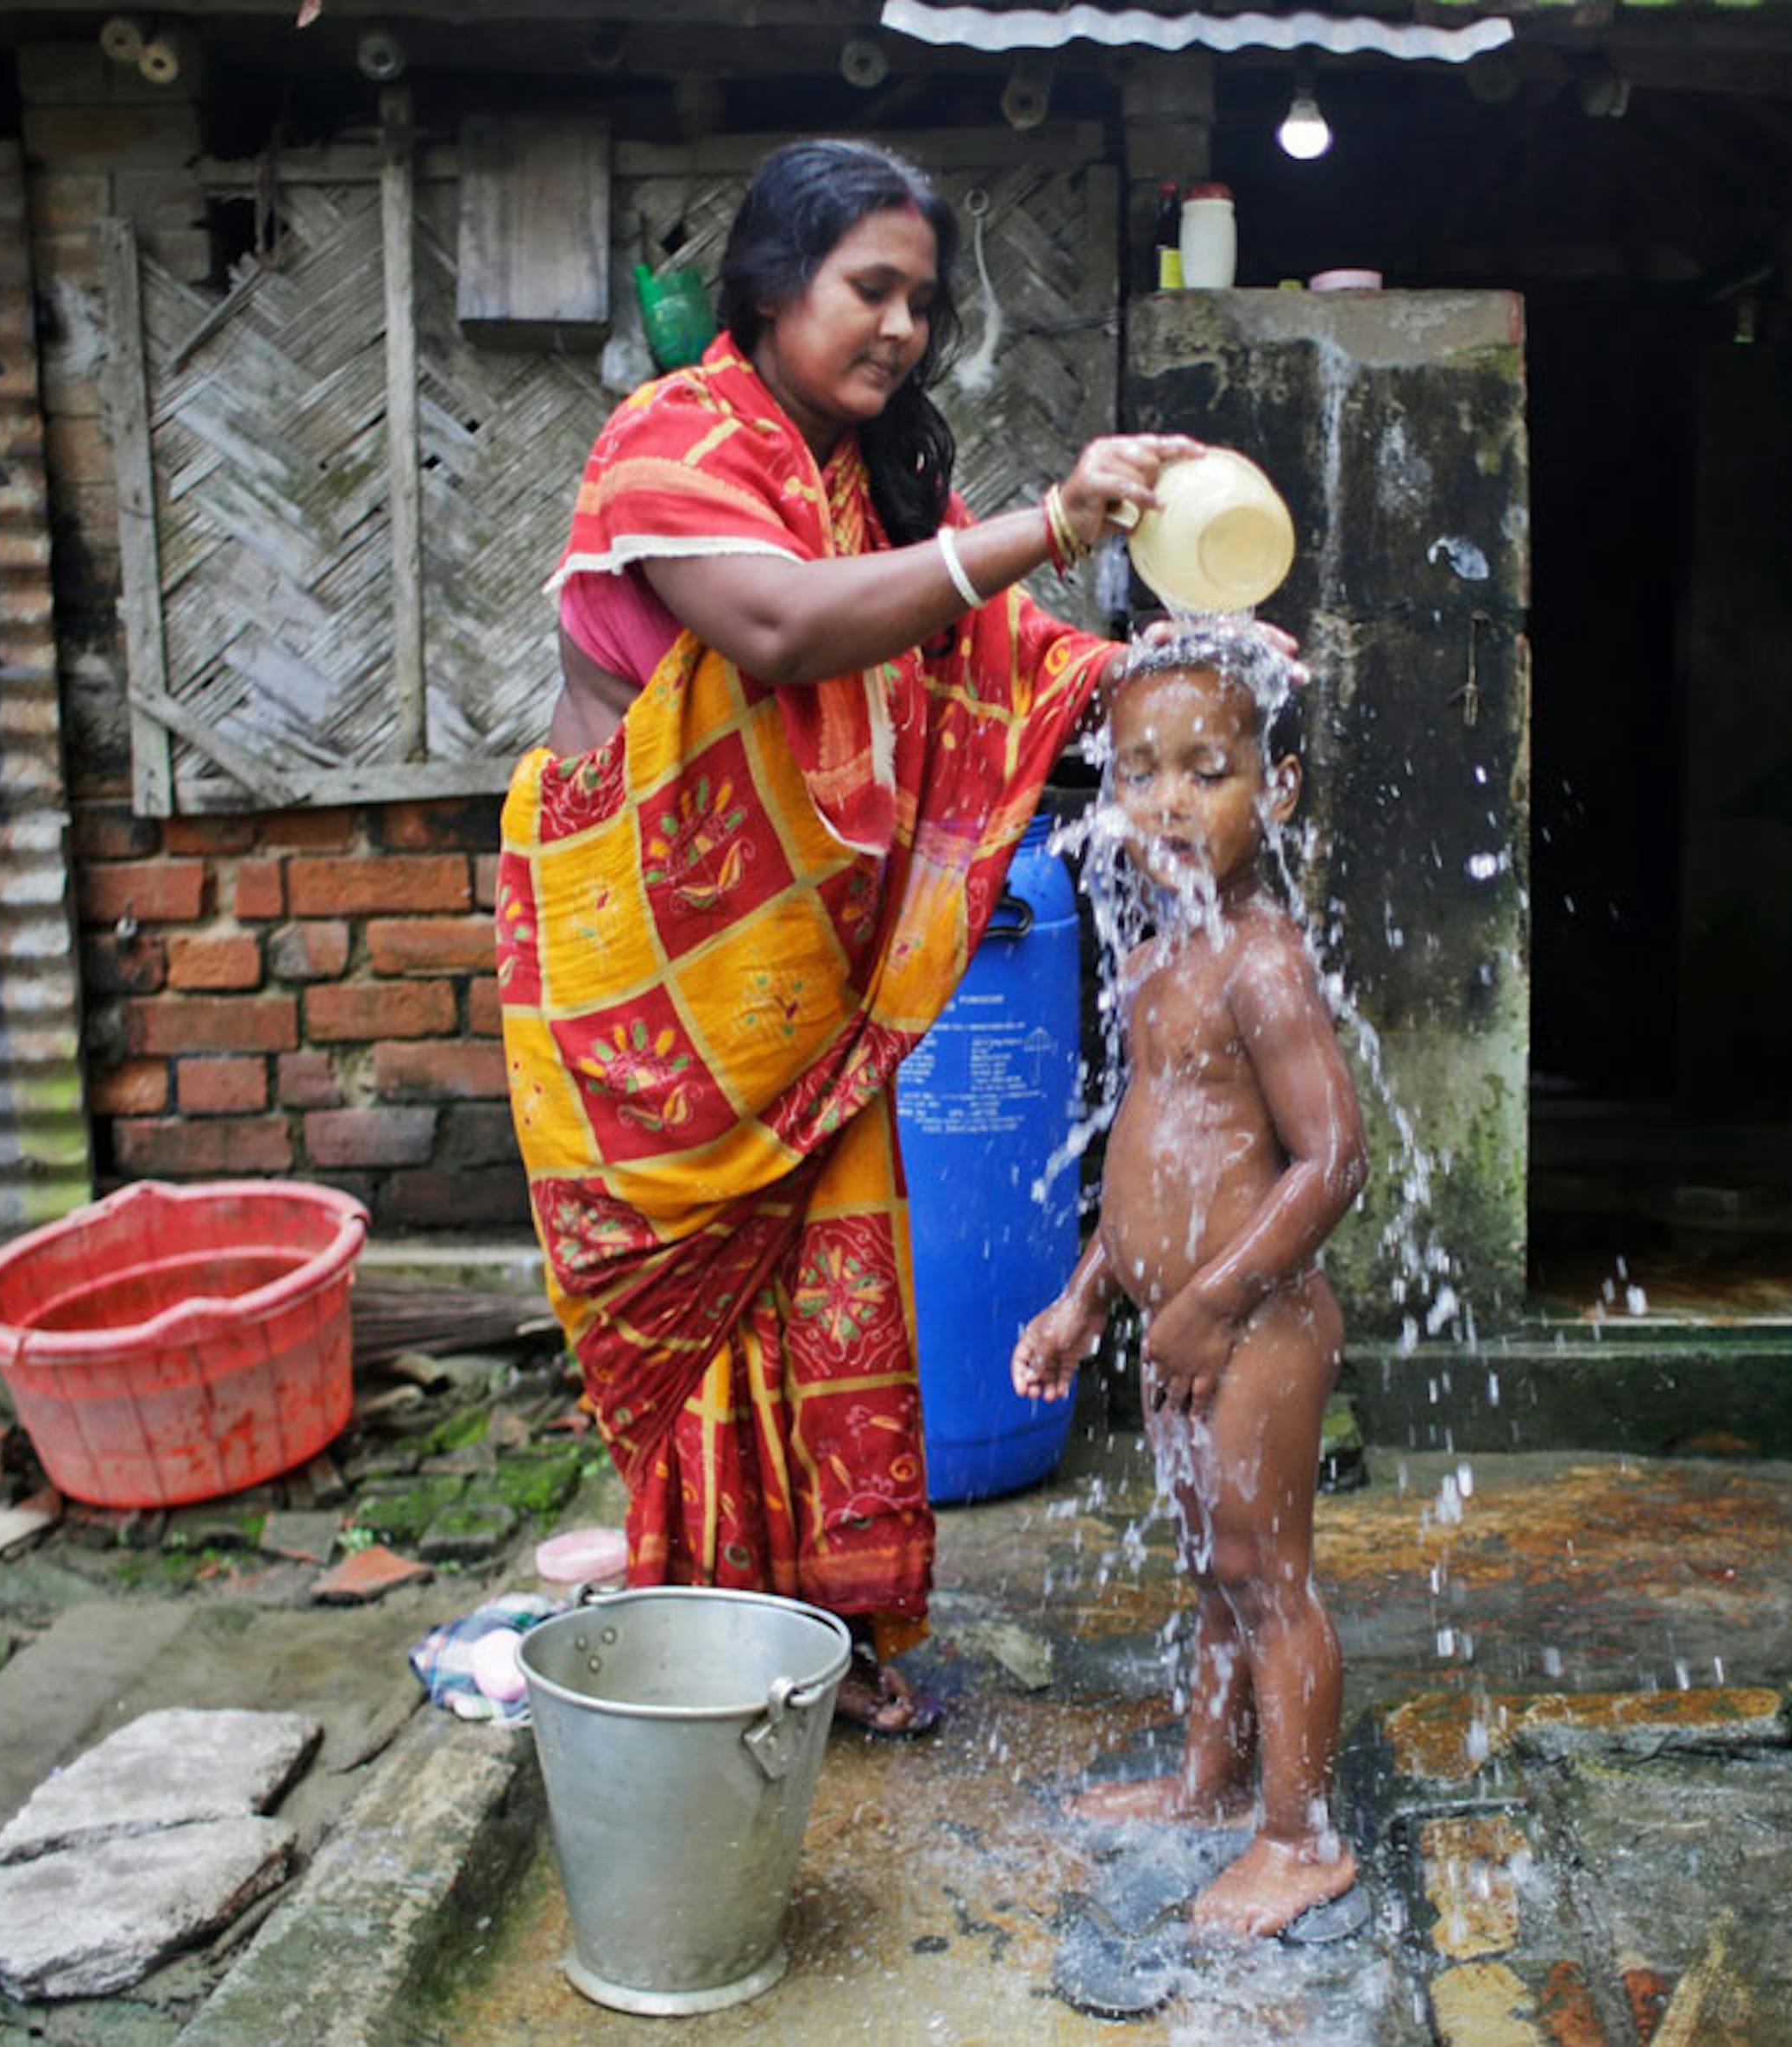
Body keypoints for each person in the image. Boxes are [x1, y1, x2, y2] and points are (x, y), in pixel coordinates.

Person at [496, 136, 1208, 1736]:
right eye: (867, 288)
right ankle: (709, 1654)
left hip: (806, 1001)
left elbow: (1001, 652)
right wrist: (1039, 521)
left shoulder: (882, 481)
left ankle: (831, 1643)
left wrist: (1179, 664)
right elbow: (775, 626)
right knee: (695, 1355)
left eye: (920, 301)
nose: (898, 326)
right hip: (653, 989)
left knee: (831, 1308)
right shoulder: (672, 437)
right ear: (770, 285)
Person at [1011, 628, 1370, 1937]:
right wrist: (1087, 1295)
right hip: (1186, 1327)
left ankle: (1299, 1834)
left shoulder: (1261, 959)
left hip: (1257, 1326)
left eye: (1208, 771)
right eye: (1140, 771)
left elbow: (1333, 1159)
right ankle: (1211, 1785)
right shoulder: (1160, 952)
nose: (1166, 802)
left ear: (1272, 791)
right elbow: (1157, 1162)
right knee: (1214, 1565)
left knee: (1268, 1574)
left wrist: (1215, 1300)